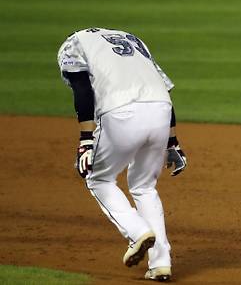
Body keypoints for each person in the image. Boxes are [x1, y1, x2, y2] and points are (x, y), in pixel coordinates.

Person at [57, 27, 188, 282]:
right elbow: (162, 88)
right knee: (144, 186)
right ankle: (161, 264)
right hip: (161, 110)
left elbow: (82, 88)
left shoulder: (74, 43)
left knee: (98, 179)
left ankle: (137, 231)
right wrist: (172, 141)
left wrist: (86, 140)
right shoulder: (135, 40)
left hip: (121, 113)